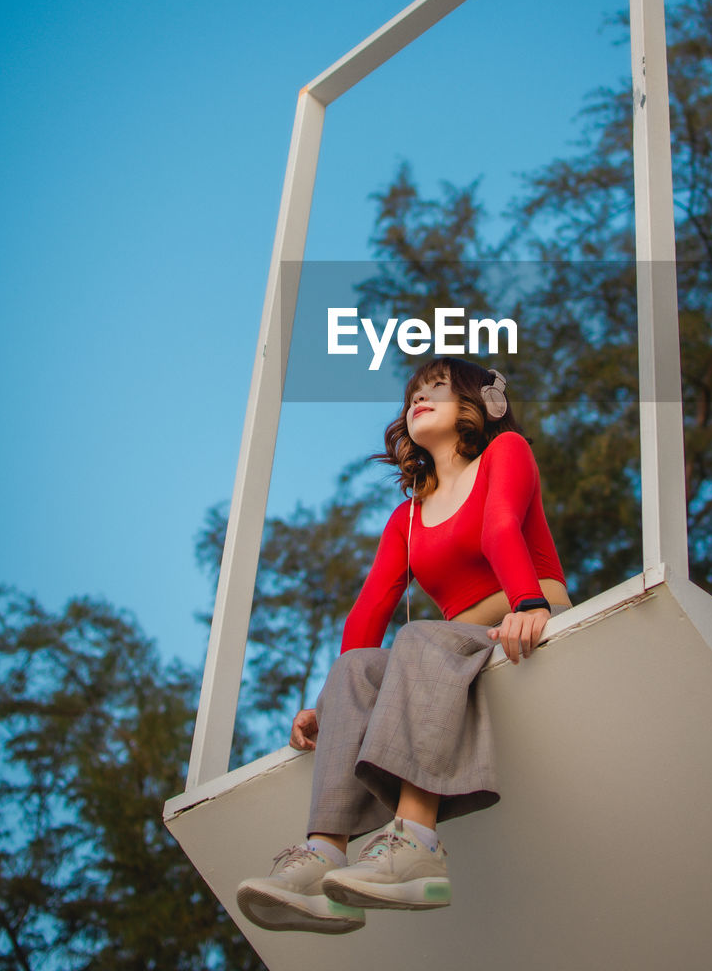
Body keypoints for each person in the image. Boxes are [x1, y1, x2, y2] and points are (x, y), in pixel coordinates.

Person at [236, 357, 570, 935]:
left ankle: (416, 841)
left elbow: (499, 529)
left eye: (436, 389)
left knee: (417, 636)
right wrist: (325, 704)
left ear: (477, 406)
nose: (418, 399)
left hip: (524, 610)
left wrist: (527, 604)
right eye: (413, 393)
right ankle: (324, 862)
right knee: (358, 669)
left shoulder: (506, 451)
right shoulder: (407, 518)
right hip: (453, 641)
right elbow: (369, 609)